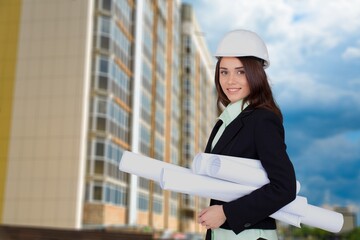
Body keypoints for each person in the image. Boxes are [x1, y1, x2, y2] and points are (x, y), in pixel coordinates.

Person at [198, 29, 297, 240]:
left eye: (240, 71)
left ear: (256, 74)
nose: (230, 80)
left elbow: (284, 187)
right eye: (224, 72)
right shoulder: (224, 122)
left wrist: (226, 213)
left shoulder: (262, 119)